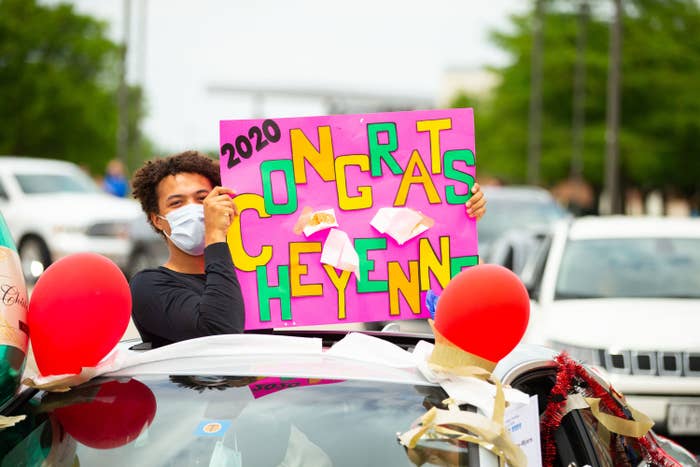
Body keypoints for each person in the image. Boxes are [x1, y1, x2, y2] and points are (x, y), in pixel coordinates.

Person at [129, 150, 245, 348]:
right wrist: (215, 235)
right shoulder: (148, 286)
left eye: (202, 198)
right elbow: (221, 333)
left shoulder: (249, 277)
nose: (194, 209)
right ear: (157, 220)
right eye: (176, 203)